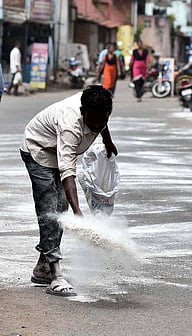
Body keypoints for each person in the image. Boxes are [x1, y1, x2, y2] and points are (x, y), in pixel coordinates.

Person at [20, 85, 118, 297]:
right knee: (52, 211)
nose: (98, 125)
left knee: (59, 209)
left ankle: (42, 268)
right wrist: (78, 211)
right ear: (83, 114)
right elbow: (67, 171)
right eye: (93, 122)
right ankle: (55, 276)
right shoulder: (70, 125)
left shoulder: (98, 107)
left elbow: (102, 123)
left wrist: (107, 140)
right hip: (39, 150)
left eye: (103, 120)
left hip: (58, 150)